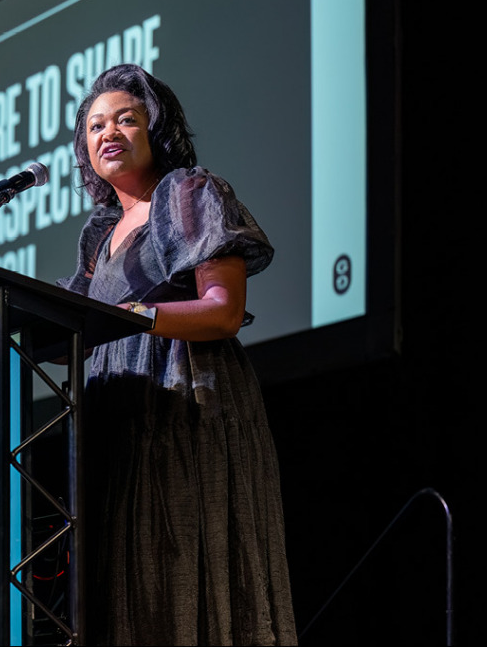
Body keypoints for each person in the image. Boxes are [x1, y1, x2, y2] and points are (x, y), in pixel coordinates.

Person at [57, 64, 298, 645]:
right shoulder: (99, 234)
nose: (108, 132)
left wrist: (138, 315)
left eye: (125, 120)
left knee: (181, 567)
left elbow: (223, 310)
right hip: (115, 423)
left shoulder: (187, 194)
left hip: (183, 402)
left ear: (155, 130)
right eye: (95, 126)